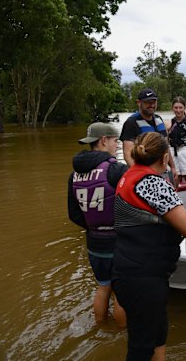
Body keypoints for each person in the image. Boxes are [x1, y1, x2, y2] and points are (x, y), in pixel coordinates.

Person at [112, 132, 186, 361]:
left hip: (130, 270)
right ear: (165, 157)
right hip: (142, 276)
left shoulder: (129, 176)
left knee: (157, 334)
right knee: (141, 348)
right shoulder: (153, 184)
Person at [67, 122, 127, 327]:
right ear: (104, 141)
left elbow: (73, 214)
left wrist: (94, 226)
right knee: (121, 294)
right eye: (115, 141)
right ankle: (122, 335)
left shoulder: (74, 174)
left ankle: (100, 328)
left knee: (103, 287)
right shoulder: (117, 169)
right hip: (118, 243)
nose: (117, 146)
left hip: (94, 244)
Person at [119, 88, 178, 182]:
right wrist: (141, 176)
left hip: (163, 170)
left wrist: (173, 167)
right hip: (144, 174)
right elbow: (127, 154)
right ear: (139, 103)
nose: (152, 105)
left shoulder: (159, 119)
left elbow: (165, 147)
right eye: (148, 102)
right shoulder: (131, 123)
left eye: (154, 102)